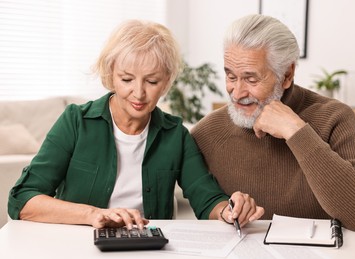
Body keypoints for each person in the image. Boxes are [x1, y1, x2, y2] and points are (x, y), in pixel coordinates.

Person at [8, 19, 264, 230]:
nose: (139, 93)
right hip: (77, 246)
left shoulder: (175, 135)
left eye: (151, 81)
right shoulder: (76, 121)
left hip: (148, 247)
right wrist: (93, 215)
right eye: (127, 79)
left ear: (165, 82)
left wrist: (230, 210)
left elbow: (207, 198)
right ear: (111, 76)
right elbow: (22, 199)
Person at [191, 14, 355, 232]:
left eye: (251, 79)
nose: (237, 93)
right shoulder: (207, 132)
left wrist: (295, 130)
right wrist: (226, 211)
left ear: (287, 74)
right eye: (231, 77)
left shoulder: (335, 117)